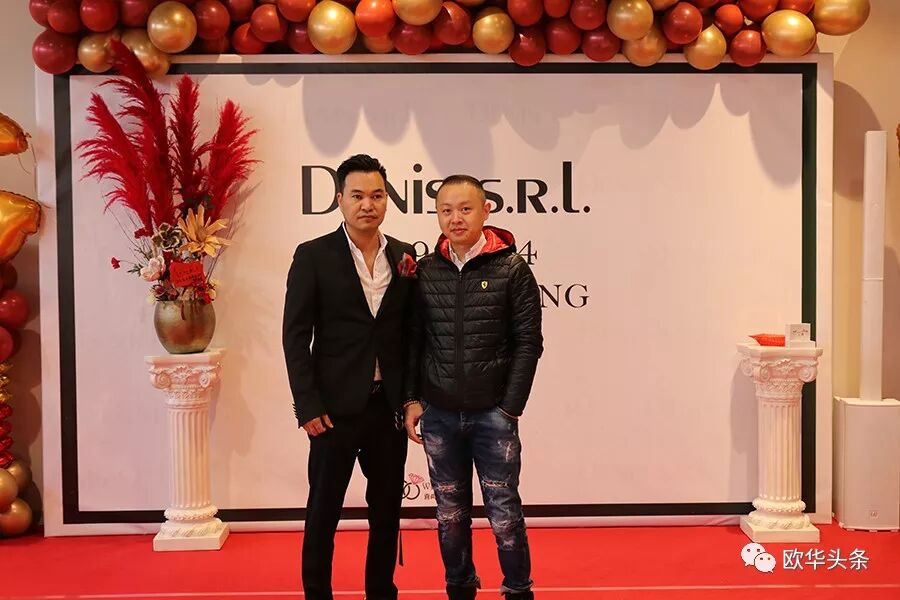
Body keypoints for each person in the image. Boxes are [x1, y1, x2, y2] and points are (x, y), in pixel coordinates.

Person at [282, 154, 417, 600]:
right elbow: (295, 336)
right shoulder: (313, 256)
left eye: (377, 195)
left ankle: (381, 592)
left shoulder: (404, 255)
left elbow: (410, 334)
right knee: (323, 512)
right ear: (339, 199)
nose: (367, 205)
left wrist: (410, 397)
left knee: (387, 512)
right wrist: (307, 404)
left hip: (387, 408)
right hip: (332, 411)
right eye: (357, 195)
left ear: (387, 200)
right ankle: (317, 594)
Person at [403, 175, 543, 600]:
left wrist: (510, 407)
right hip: (439, 415)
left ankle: (518, 589)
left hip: (493, 415)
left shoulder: (512, 269)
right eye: (446, 210)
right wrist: (412, 398)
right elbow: (414, 341)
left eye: (465, 209)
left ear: (486, 210)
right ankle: (459, 586)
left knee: (504, 513)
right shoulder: (426, 271)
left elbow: (528, 342)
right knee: (449, 513)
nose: (456, 218)